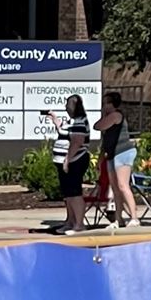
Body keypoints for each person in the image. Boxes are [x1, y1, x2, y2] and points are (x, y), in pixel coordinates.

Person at [98, 91, 141, 227]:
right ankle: (118, 219)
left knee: (123, 185)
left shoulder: (116, 115)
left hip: (123, 152)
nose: (104, 106)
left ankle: (134, 218)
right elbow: (105, 140)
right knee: (115, 188)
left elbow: (98, 126)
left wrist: (104, 116)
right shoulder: (108, 117)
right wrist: (100, 158)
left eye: (106, 103)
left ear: (112, 104)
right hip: (112, 154)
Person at [54, 94, 92, 233]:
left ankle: (79, 224)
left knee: (75, 192)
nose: (66, 106)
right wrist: (55, 120)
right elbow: (65, 133)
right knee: (68, 193)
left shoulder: (80, 121)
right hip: (66, 161)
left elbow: (77, 141)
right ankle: (70, 221)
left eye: (68, 104)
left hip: (75, 161)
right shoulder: (72, 121)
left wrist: (67, 159)